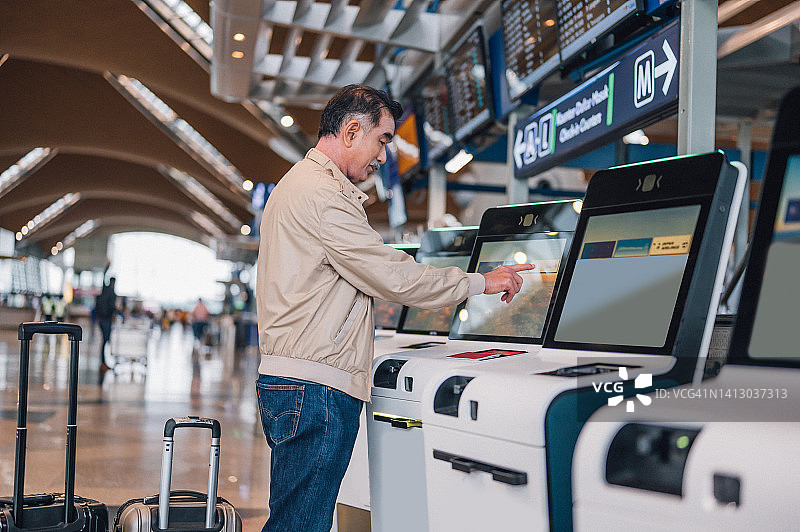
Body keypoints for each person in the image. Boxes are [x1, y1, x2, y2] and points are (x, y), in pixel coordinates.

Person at [255, 84, 533, 532]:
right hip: (316, 389)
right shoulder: (322, 197)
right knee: (299, 525)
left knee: (294, 519)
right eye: (383, 140)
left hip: (295, 381)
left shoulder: (298, 186)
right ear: (350, 131)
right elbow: (396, 277)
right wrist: (482, 281)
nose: (384, 156)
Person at [95, 276, 117, 372]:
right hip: (106, 320)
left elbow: (103, 277)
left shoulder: (105, 290)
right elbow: (112, 306)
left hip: (101, 319)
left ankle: (103, 362)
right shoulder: (111, 293)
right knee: (105, 341)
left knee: (105, 341)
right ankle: (103, 362)